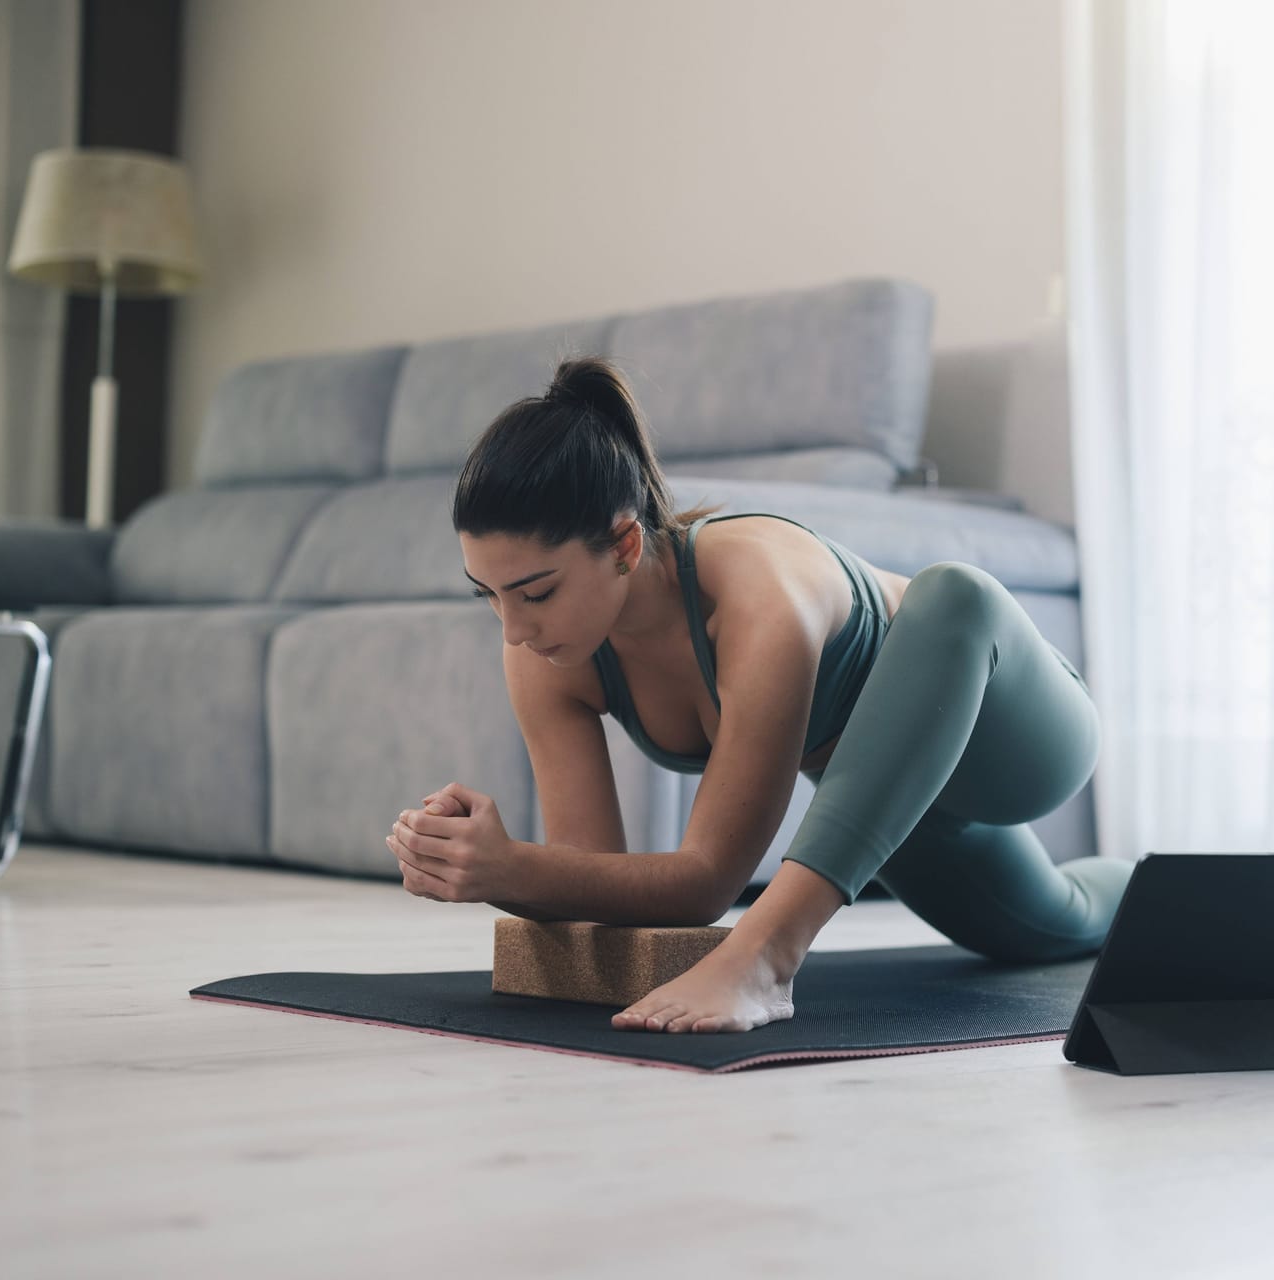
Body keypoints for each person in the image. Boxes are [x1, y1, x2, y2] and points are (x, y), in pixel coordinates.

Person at [385, 355, 1131, 1034]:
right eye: (487, 595)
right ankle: (1163, 880)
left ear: (623, 546)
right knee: (1055, 926)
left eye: (535, 592)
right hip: (886, 804)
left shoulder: (755, 592)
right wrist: (483, 867)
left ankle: (768, 961)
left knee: (953, 593)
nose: (512, 629)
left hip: (1014, 735)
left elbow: (707, 881)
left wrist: (516, 868)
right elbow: (592, 874)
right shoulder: (543, 653)